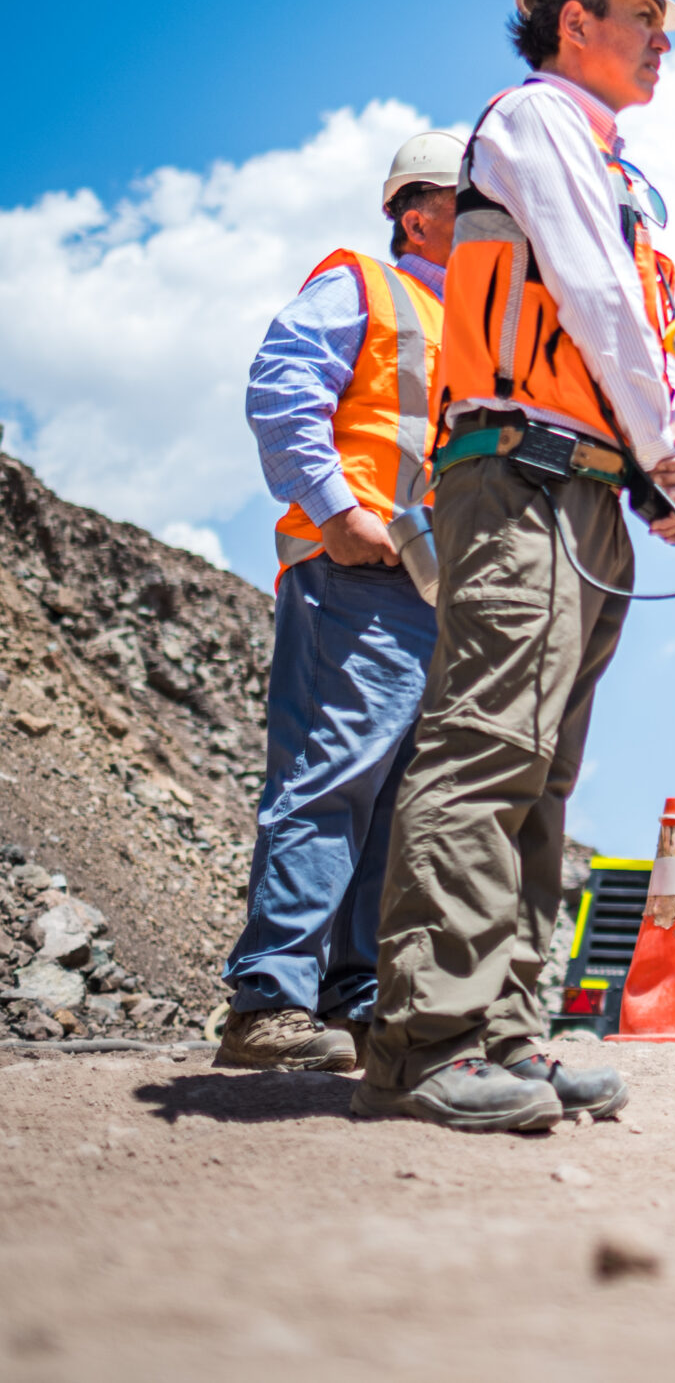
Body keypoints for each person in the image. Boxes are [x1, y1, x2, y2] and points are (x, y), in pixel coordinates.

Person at [359, 0, 675, 1133]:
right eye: (647, 19)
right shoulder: (536, 122)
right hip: (515, 478)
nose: (664, 43)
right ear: (579, 19)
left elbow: (629, 331)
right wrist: (669, 452)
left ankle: (508, 1023)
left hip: (578, 483)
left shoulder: (610, 161)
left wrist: (657, 455)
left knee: (542, 767)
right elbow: (599, 296)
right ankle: (429, 1038)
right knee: (484, 744)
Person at [221, 131, 459, 1072]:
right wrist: (335, 510)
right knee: (330, 778)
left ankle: (354, 997)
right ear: (417, 211)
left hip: (441, 591)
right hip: (358, 571)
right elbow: (282, 386)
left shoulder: (479, 325)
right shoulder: (364, 284)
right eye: (467, 198)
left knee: (403, 802)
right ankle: (268, 996)